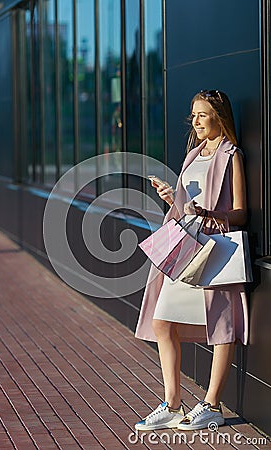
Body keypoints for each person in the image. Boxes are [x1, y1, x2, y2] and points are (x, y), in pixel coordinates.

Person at [134, 90, 248, 431]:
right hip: (187, 242)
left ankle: (211, 404)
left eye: (201, 114)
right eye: (193, 114)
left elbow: (241, 213)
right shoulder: (193, 154)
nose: (195, 121)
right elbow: (184, 203)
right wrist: (173, 196)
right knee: (161, 322)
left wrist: (207, 213)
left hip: (215, 246)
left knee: (221, 326)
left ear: (219, 117)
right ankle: (171, 404)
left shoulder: (232, 156)